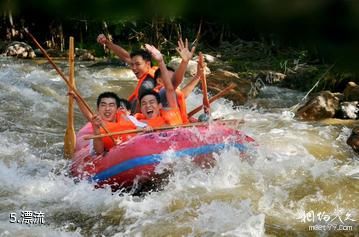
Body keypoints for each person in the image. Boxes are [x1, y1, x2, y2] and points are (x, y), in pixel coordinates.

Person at [97, 34, 195, 113]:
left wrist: (184, 62)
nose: (133, 68)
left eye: (137, 64)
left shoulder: (147, 85)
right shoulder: (154, 71)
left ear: (147, 64)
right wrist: (107, 43)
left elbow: (173, 85)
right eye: (132, 64)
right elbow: (125, 56)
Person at [134, 44, 183, 128]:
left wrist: (160, 61)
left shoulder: (170, 115)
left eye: (152, 102)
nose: (148, 106)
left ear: (160, 106)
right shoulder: (139, 125)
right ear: (141, 110)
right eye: (144, 104)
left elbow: (170, 89)